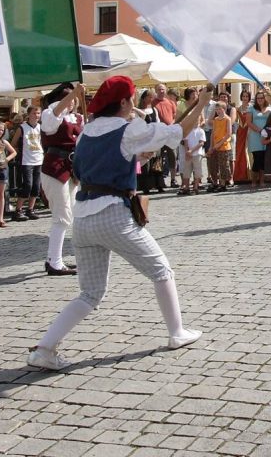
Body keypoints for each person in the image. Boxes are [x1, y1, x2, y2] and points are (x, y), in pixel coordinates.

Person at [27, 78, 209, 371]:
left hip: (84, 216)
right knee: (161, 271)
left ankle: (45, 349)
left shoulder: (87, 130)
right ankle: (177, 332)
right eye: (132, 99)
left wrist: (138, 153)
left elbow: (105, 160)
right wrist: (200, 105)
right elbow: (176, 131)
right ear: (123, 102)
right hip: (113, 214)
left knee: (89, 294)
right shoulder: (128, 128)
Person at [40, 83, 84, 275]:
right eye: (68, 98)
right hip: (54, 168)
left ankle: (54, 258)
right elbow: (54, 117)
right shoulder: (50, 114)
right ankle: (54, 262)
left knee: (70, 214)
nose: (72, 101)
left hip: (71, 168)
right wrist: (73, 93)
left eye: (73, 99)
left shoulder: (77, 118)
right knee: (62, 216)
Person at [13, 107, 44, 221]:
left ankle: (30, 209)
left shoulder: (41, 127)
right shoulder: (22, 128)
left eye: (38, 113)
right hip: (26, 160)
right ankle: (18, 210)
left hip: (39, 159)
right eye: (34, 113)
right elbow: (14, 143)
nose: (37, 115)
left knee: (36, 186)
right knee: (27, 185)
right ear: (29, 114)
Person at [247, 91, 271, 190]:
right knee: (257, 159)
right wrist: (260, 130)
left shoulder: (269, 108)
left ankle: (261, 180)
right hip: (255, 136)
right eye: (258, 98)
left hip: (266, 136)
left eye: (262, 98)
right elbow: (248, 122)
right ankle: (254, 180)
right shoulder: (251, 108)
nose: (260, 100)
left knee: (263, 159)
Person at [208, 99, 234, 192]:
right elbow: (213, 133)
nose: (218, 111)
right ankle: (216, 182)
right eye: (217, 110)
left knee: (223, 165)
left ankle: (223, 184)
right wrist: (211, 146)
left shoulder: (227, 119)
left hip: (224, 146)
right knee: (214, 165)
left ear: (224, 109)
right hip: (215, 146)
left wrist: (219, 143)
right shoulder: (215, 119)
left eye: (220, 109)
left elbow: (228, 134)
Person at [179, 114, 206, 195]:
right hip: (189, 154)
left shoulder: (201, 131)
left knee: (197, 171)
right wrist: (187, 151)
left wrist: (192, 150)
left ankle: (196, 187)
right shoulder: (188, 131)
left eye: (197, 120)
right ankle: (186, 187)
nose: (196, 121)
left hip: (197, 154)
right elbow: (186, 142)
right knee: (186, 171)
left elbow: (201, 143)